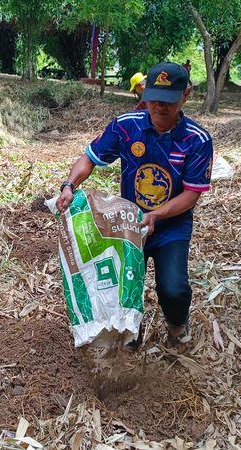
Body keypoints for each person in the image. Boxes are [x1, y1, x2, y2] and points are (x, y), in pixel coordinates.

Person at [56, 62, 213, 351]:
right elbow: (89, 158)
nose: (159, 107)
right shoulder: (127, 126)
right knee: (123, 286)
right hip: (129, 225)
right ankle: (129, 335)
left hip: (171, 226)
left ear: (186, 95)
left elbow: (191, 195)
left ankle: (177, 328)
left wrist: (156, 214)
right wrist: (69, 185)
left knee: (173, 288)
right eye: (154, 99)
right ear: (144, 94)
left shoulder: (197, 140)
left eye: (168, 101)